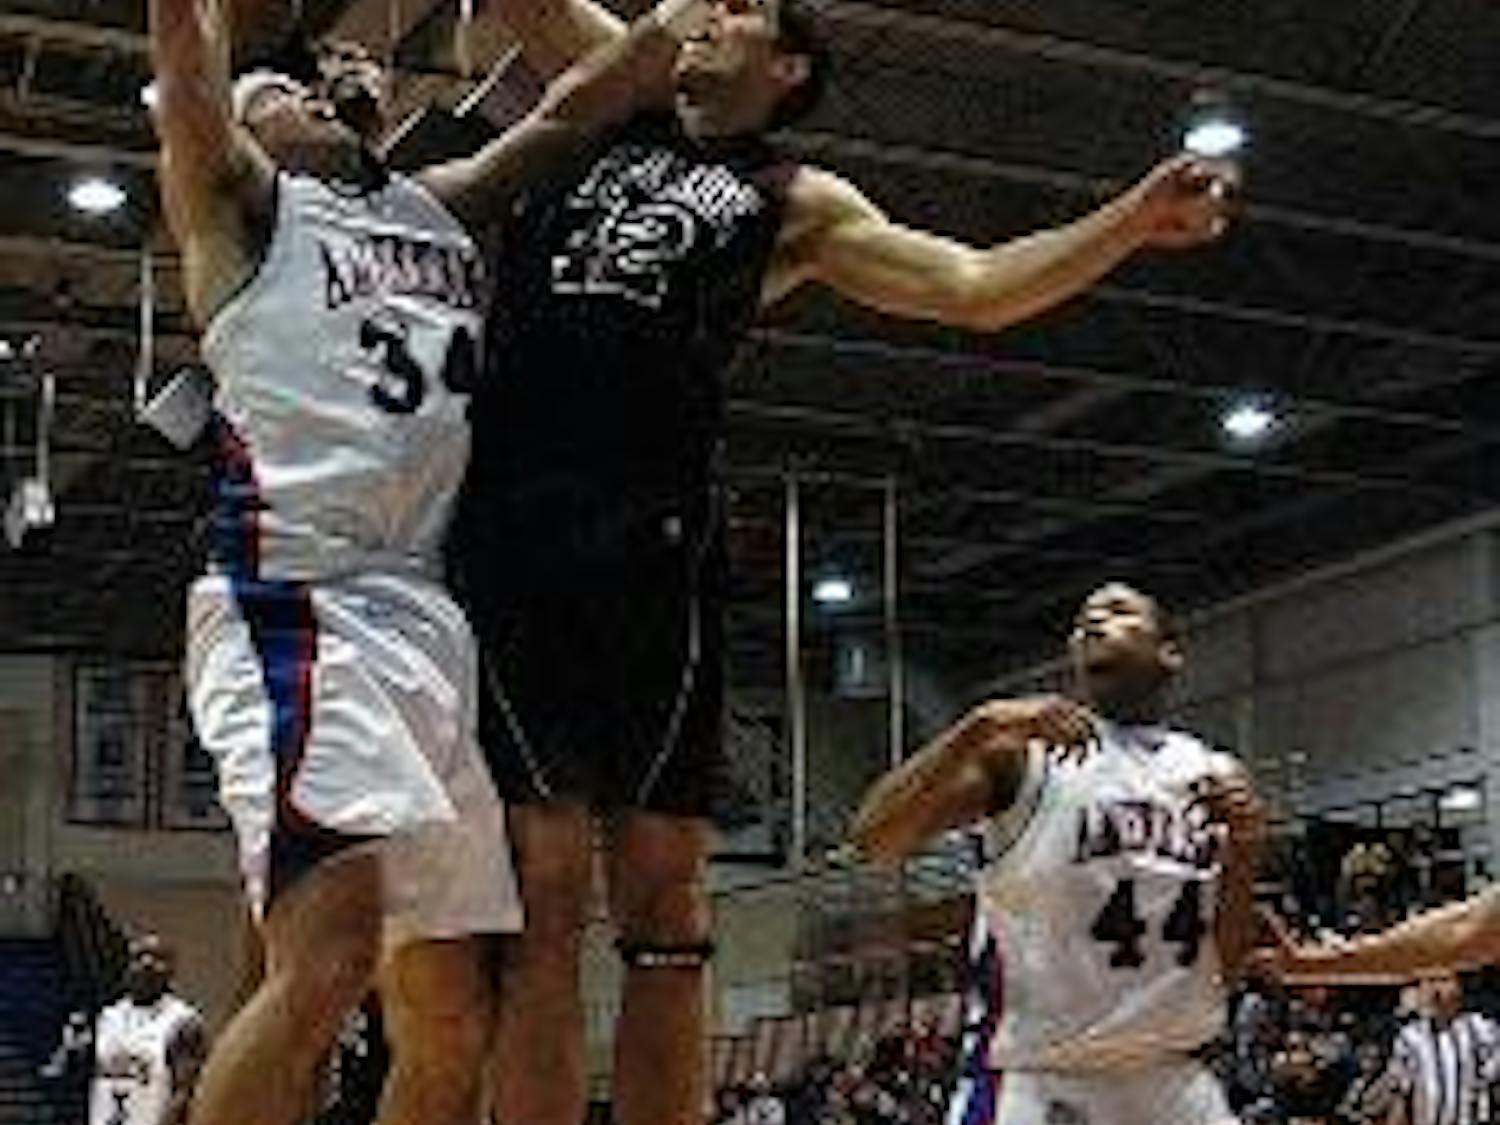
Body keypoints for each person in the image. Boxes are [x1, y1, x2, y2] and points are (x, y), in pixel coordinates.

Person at [449, 0, 1241, 1120]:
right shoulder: (615, 81)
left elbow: (974, 287)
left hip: (656, 544)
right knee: (542, 885)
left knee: (668, 899)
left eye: (741, 12)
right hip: (515, 529)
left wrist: (1125, 220)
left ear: (787, 67)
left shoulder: (797, 201)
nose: (709, 16)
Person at [147, 0, 693, 1120]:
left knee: (453, 1012)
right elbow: (193, 84)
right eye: (278, 91)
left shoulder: (437, 205)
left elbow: (585, 103)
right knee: (333, 951)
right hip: (297, 603)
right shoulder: (244, 209)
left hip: (431, 625)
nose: (307, 87)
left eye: (333, 74)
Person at [847, 582, 1265, 1124]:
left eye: (1117, 612)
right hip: (1042, 1081)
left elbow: (1223, 969)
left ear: (1170, 651)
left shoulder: (1215, 775)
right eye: (1082, 620)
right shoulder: (1026, 756)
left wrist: (1249, 849)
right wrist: (975, 729)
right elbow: (874, 838)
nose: (1092, 624)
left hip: (1174, 1081)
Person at [86, 935, 207, 1125]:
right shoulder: (108, 1017)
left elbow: (185, 1093)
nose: (147, 963)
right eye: (139, 956)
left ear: (171, 971)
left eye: (158, 958)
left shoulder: (183, 1022)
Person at [1384, 970, 1500, 1125]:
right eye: (1428, 982)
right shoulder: (1411, 1037)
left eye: (1443, 981)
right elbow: (1400, 1093)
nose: (1435, 991)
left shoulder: (1480, 1029)